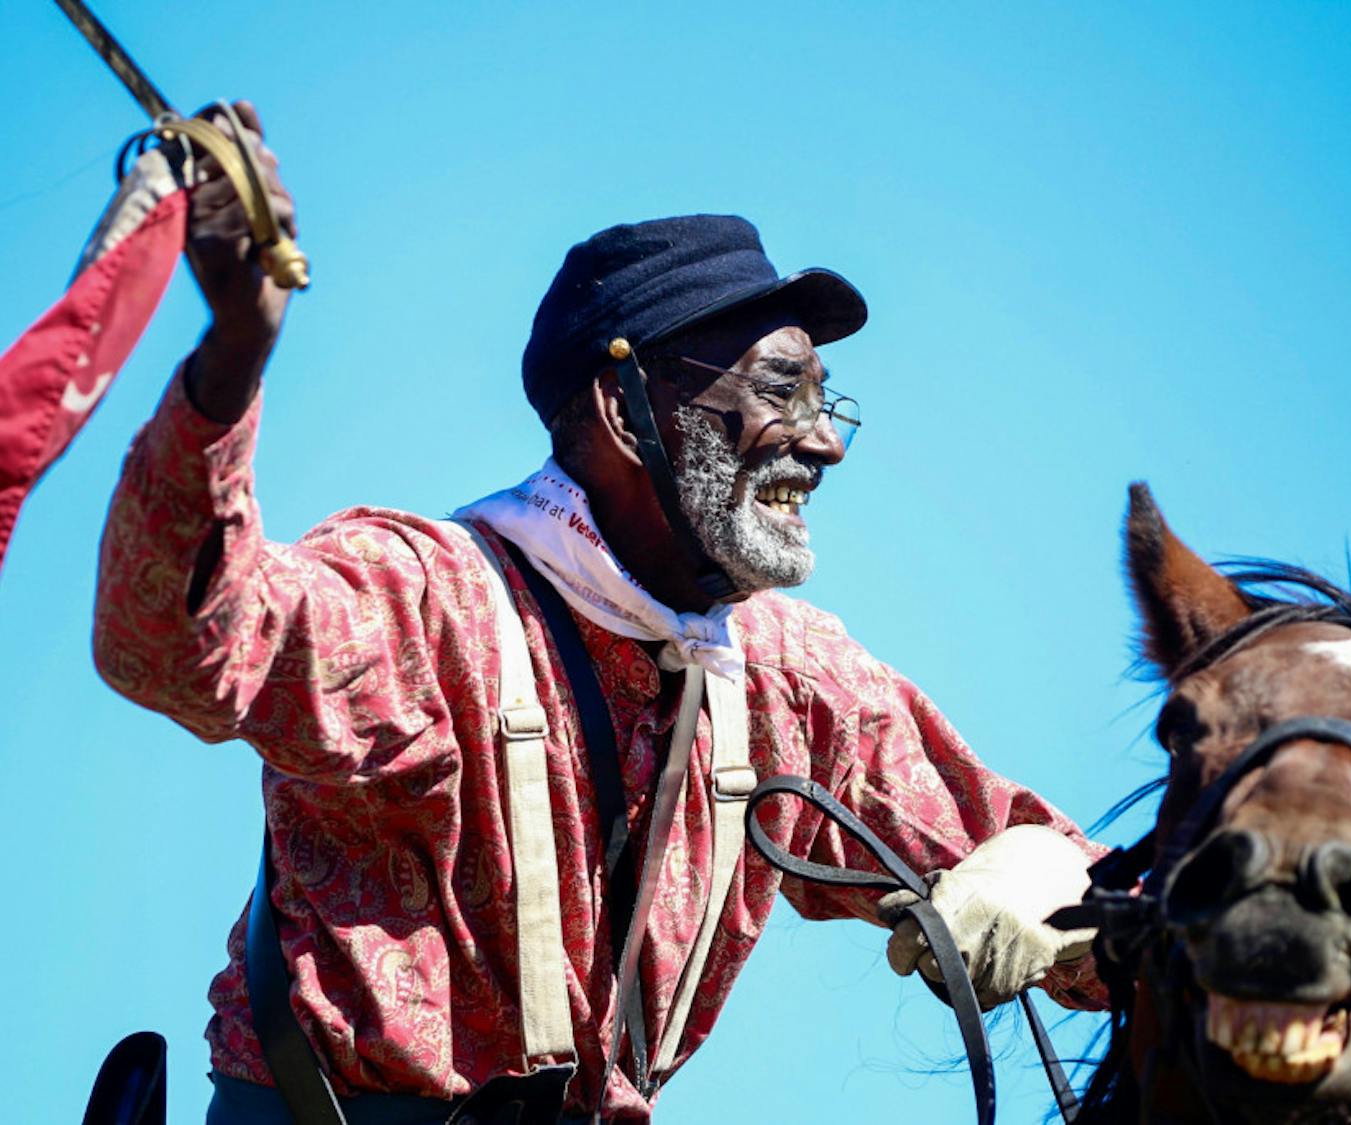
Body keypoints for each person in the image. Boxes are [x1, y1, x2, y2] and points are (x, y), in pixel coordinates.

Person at [93, 103, 1105, 1124]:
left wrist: (1064, 892)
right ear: (625, 410)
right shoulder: (422, 606)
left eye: (824, 402)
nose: (824, 443)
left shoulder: (790, 683)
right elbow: (175, 647)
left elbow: (1103, 901)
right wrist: (231, 357)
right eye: (780, 392)